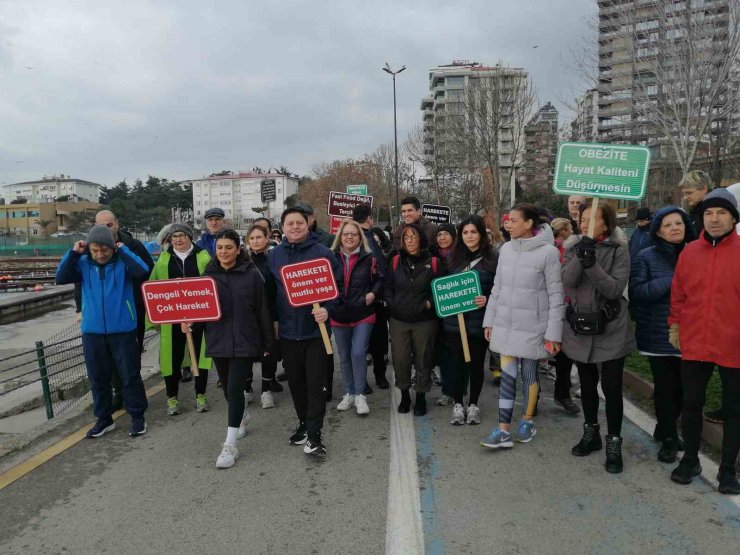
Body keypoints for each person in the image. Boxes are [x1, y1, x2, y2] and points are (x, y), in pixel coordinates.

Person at [668, 189, 740, 495]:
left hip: (733, 344)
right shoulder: (689, 253)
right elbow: (679, 294)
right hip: (695, 342)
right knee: (692, 404)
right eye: (709, 213)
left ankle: (727, 470)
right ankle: (691, 459)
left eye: (721, 213)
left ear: (734, 218)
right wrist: (675, 327)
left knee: (735, 410)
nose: (714, 219)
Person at [182, 229, 273, 468]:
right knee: (227, 389)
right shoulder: (207, 276)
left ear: (238, 249)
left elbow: (263, 309)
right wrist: (189, 321)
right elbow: (199, 308)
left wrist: (267, 343)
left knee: (234, 389)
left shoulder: (251, 274)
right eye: (220, 248)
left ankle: (229, 445)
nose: (223, 252)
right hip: (218, 340)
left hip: (245, 340)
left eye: (229, 247)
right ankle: (241, 414)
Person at [481, 204, 564, 448]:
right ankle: (503, 429)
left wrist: (553, 334)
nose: (508, 224)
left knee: (529, 375)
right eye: (508, 220)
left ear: (529, 223)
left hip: (533, 328)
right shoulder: (505, 249)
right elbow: (497, 288)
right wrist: (490, 320)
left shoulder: (548, 253)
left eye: (513, 220)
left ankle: (527, 421)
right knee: (507, 378)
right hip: (505, 325)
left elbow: (556, 296)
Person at [56, 225, 150, 438]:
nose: (100, 255)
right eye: (95, 250)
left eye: (104, 250)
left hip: (123, 330)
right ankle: (104, 419)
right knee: (98, 378)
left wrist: (123, 251)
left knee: (130, 376)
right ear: (88, 248)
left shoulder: (123, 263)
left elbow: (143, 271)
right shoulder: (82, 264)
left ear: (112, 247)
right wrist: (73, 253)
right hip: (92, 331)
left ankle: (137, 417)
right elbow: (61, 277)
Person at [562, 202, 634, 474]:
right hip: (580, 327)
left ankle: (613, 442)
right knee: (588, 385)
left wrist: (592, 264)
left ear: (607, 223)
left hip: (611, 328)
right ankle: (590, 433)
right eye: (583, 217)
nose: (586, 222)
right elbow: (568, 281)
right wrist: (582, 256)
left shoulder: (620, 250)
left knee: (612, 388)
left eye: (594, 218)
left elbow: (614, 288)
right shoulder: (572, 248)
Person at [268, 206, 343, 457]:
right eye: (290, 223)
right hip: (288, 333)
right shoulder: (275, 255)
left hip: (315, 332)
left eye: (299, 222)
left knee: (316, 383)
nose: (295, 227)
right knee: (297, 385)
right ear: (283, 227)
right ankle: (303, 423)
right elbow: (271, 293)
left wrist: (328, 310)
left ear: (308, 223)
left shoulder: (323, 253)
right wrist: (275, 321)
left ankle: (315, 434)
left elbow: (339, 288)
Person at [629, 206, 696, 463]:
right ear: (658, 231)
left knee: (683, 389)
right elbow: (638, 292)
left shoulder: (696, 254)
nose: (675, 228)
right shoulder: (646, 256)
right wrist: (672, 279)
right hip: (658, 333)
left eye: (678, 223)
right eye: (668, 225)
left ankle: (664, 426)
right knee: (666, 388)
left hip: (690, 333)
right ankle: (668, 438)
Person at [148, 223, 212, 416]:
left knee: (200, 356)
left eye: (182, 235)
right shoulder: (163, 260)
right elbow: (153, 288)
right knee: (171, 356)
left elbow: (212, 286)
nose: (178, 239)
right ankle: (171, 396)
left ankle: (200, 394)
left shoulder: (203, 257)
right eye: (174, 236)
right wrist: (154, 320)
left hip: (199, 317)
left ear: (190, 237)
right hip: (172, 318)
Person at [94, 210, 155, 407]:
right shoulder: (92, 248)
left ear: (117, 224)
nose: (106, 230)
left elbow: (147, 273)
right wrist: (81, 308)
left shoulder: (133, 245)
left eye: (109, 225)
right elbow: (79, 280)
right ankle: (118, 393)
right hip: (104, 314)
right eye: (101, 226)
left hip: (132, 310)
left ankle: (132, 395)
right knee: (108, 357)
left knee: (131, 355)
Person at [385, 223, 446, 416]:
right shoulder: (395, 261)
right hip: (399, 320)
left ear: (421, 238)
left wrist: (429, 303)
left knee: (423, 358)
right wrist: (393, 303)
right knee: (401, 359)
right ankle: (405, 394)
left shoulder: (434, 262)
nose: (410, 241)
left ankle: (420, 395)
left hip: (425, 320)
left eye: (413, 237)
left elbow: (441, 289)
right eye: (406, 238)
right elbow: (387, 287)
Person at [444, 215, 498, 426]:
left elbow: (499, 289)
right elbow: (443, 287)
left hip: (479, 321)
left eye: (473, 232)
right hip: (454, 322)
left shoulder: (492, 259)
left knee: (476, 365)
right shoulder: (452, 258)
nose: (469, 236)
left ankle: (473, 403)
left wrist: (487, 299)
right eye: (465, 232)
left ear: (481, 234)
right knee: (457, 364)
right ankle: (458, 403)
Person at [330, 220, 383, 415]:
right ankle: (349, 392)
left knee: (358, 352)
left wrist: (373, 294)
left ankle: (360, 394)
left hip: (363, 313)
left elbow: (379, 279)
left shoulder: (369, 258)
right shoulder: (330, 258)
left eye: (354, 234)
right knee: (344, 357)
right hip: (339, 314)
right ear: (340, 237)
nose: (350, 237)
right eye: (346, 234)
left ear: (360, 237)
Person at [352, 204, 390, 390]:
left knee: (370, 342)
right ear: (369, 219)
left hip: (368, 297)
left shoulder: (367, 237)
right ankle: (377, 377)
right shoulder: (364, 238)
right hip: (370, 298)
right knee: (373, 342)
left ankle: (372, 378)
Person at [245, 223, 283, 405]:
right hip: (247, 315)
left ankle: (266, 390)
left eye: (259, 237)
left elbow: (277, 291)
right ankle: (246, 388)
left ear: (267, 238)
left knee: (269, 350)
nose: (255, 241)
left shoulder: (274, 259)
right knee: (247, 353)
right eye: (251, 238)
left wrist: (276, 318)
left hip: (268, 313)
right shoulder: (242, 260)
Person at [549, 217, 580, 416]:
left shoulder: (575, 249)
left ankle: (562, 392)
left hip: (569, 304)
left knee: (565, 352)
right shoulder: (549, 250)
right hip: (550, 304)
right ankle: (532, 395)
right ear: (565, 230)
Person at [678, 170, 711, 238]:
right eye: (684, 194)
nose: (685, 198)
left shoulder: (715, 213)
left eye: (689, 193)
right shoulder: (694, 212)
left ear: (704, 189)